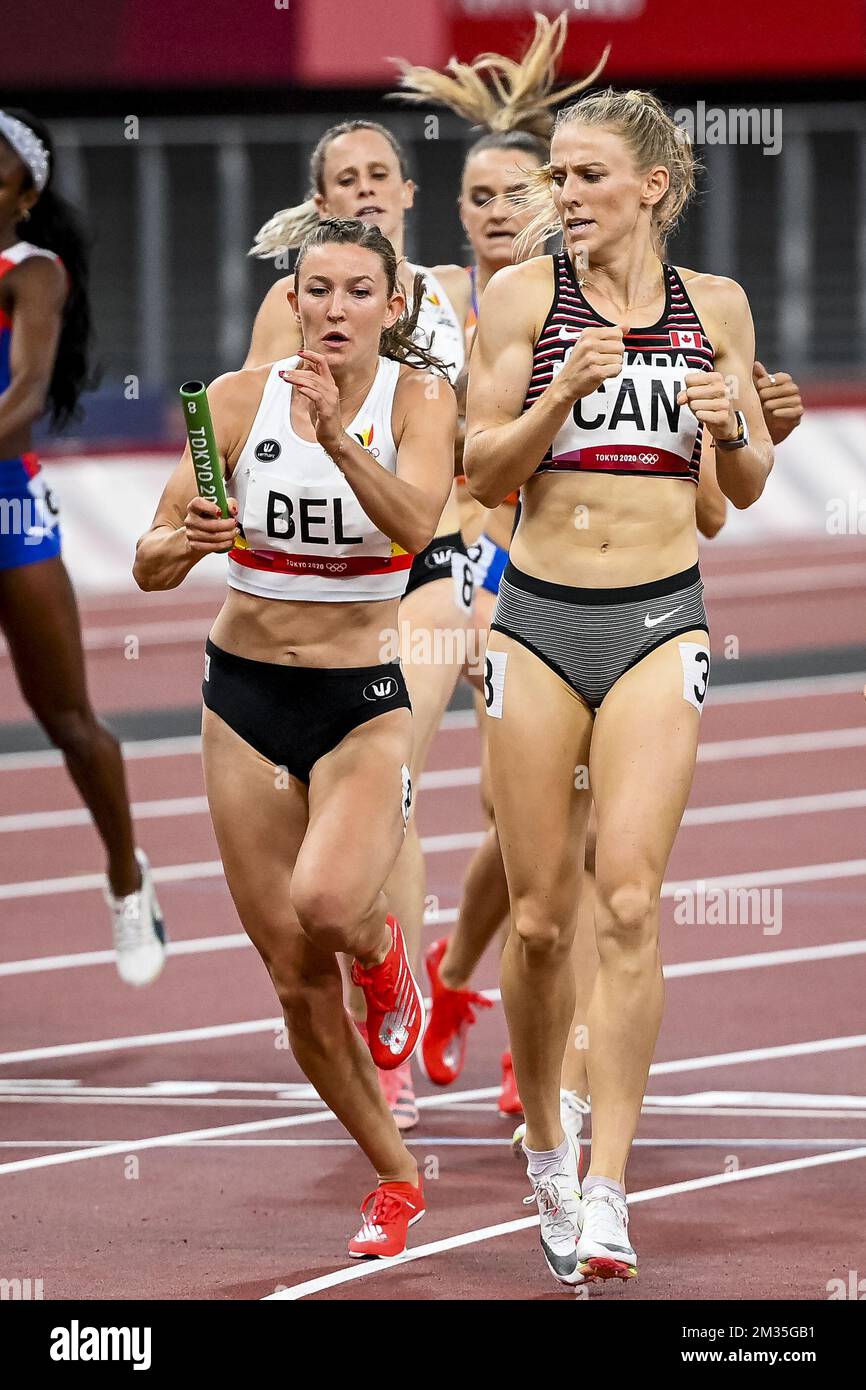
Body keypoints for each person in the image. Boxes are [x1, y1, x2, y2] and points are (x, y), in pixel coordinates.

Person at [464, 87, 775, 1287]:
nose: (561, 196)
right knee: (540, 919)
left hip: (657, 618)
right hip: (537, 622)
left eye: (584, 175)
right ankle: (542, 1139)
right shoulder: (521, 299)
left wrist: (731, 421)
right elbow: (480, 471)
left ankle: (605, 1184)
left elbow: (736, 488)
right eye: (553, 175)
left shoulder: (718, 308)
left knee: (630, 902)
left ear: (649, 187)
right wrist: (557, 393)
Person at [134, 218, 456, 1258]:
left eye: (356, 292)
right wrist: (181, 544)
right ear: (290, 300)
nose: (330, 310)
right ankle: (396, 1179)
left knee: (328, 904)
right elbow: (147, 559)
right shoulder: (232, 403)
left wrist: (329, 442)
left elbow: (413, 524)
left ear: (391, 307)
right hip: (243, 699)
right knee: (290, 975)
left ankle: (385, 954)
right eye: (313, 290)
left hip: (360, 700)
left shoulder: (418, 401)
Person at [244, 120, 474, 1131]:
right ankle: (388, 975)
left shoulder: (460, 297)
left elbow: (493, 437)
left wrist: (503, 569)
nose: (366, 190)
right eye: (345, 180)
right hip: (329, 574)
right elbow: (249, 417)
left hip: (432, 566)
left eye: (380, 175)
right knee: (335, 819)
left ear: (409, 192)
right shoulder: (290, 303)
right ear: (321, 200)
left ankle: (396, 1033)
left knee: (396, 786)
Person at [0, 107, 165, 986]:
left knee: (68, 720)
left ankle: (128, 873)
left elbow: (26, 393)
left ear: (24, 193)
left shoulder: (32, 271)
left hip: (10, 513)